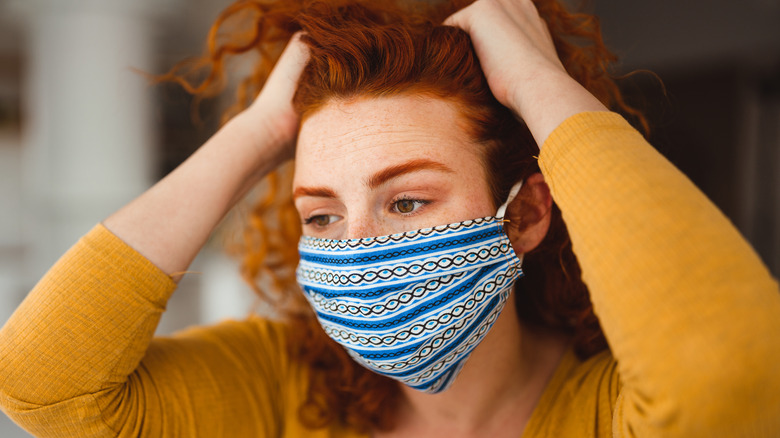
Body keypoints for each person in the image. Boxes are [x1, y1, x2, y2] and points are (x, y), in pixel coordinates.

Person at [1, 0, 779, 436]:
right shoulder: (277, 391)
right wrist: (258, 134)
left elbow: (725, 380)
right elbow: (39, 386)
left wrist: (536, 85)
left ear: (527, 214)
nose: (360, 248)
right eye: (324, 215)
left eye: (407, 201)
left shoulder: (610, 413)